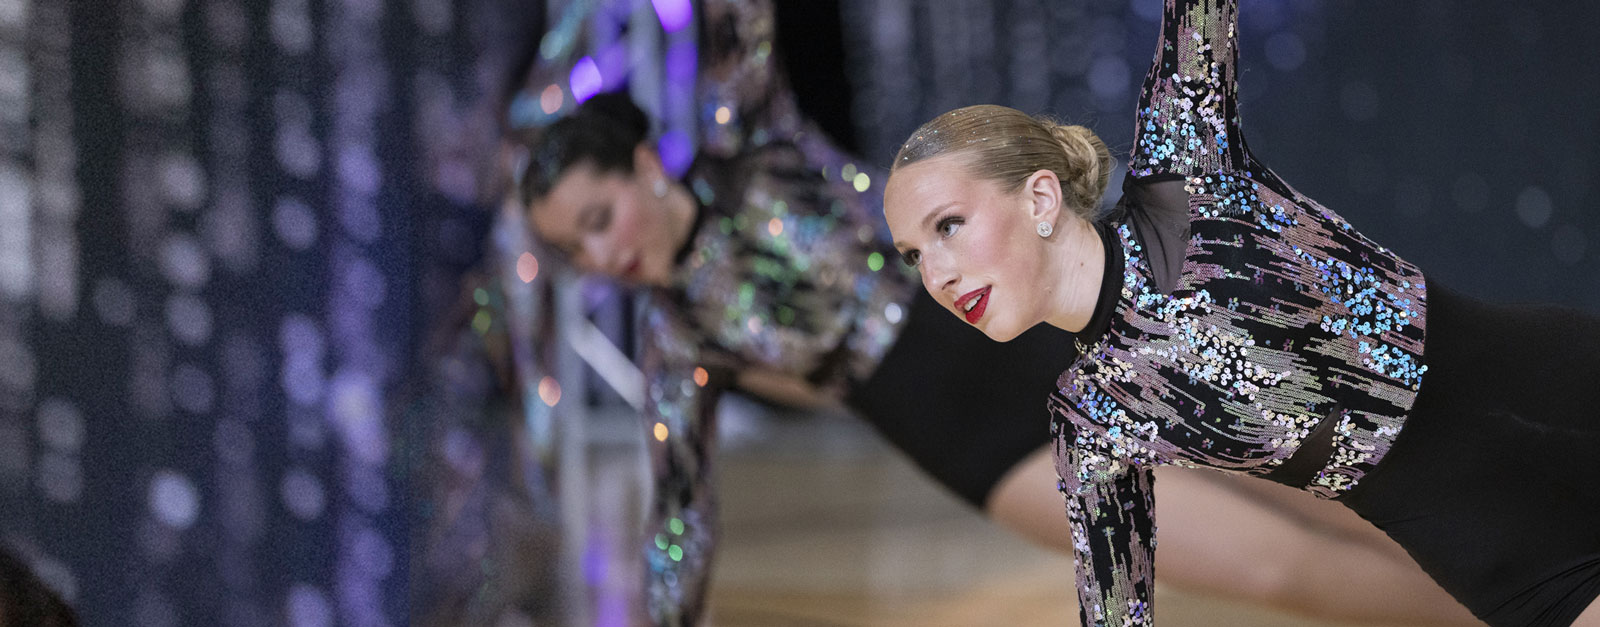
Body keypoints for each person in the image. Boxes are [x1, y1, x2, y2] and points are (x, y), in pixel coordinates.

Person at [497, 2, 1480, 626]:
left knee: (1321, 480)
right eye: (575, 248)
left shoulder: (752, 146)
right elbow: (679, 528)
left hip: (1060, 334)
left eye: (598, 218)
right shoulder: (674, 339)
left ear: (640, 165)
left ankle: (1530, 584)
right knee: (1275, 569)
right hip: (977, 443)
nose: (602, 256)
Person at [882, 0, 1600, 625]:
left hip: (1567, 395)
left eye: (949, 226)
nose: (937, 275)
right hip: (1513, 560)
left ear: (1040, 197)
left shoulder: (1185, 169)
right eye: (914, 255)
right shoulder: (1092, 417)